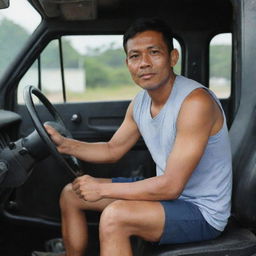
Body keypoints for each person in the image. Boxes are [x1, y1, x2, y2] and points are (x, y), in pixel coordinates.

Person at [32, 17, 232, 256]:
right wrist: (66, 145)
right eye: (135, 56)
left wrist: (101, 189)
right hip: (169, 200)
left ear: (173, 57)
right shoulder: (140, 103)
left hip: (201, 212)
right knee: (71, 195)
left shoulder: (195, 103)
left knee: (115, 217)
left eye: (154, 52)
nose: (144, 63)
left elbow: (170, 186)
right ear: (127, 63)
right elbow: (111, 149)